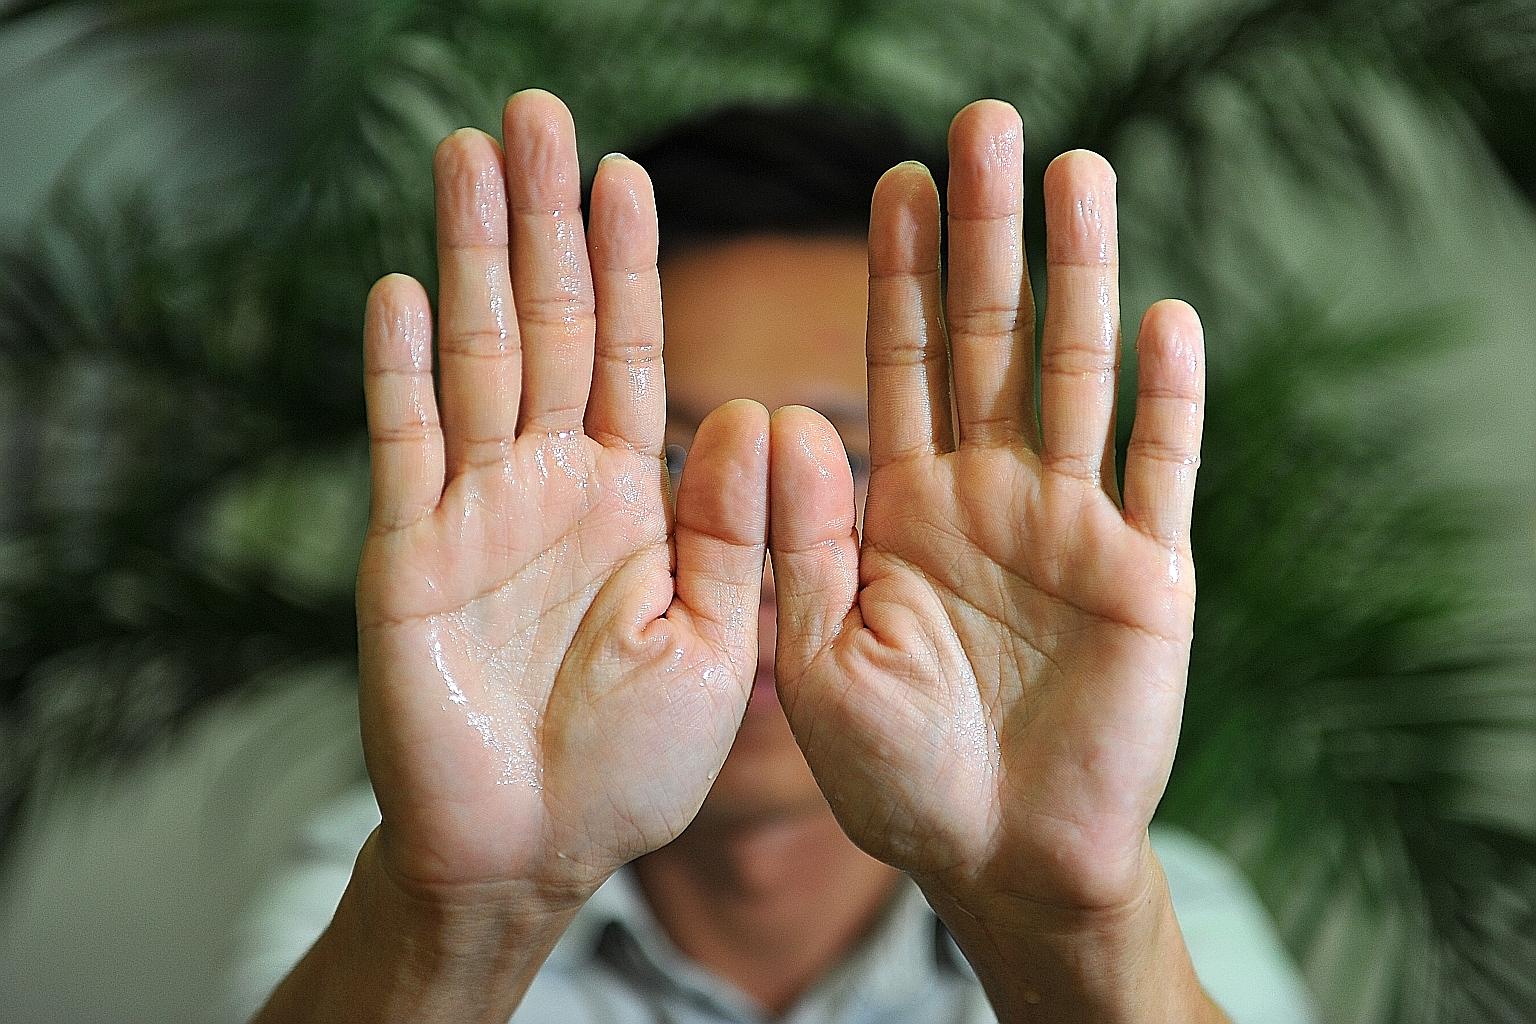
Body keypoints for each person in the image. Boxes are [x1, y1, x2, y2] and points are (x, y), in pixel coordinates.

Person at [236, 89, 1316, 1023]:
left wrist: (1064, 930)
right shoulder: (388, 893)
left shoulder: (1160, 921)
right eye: (671, 456)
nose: (754, 549)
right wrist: (463, 918)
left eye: (846, 461)